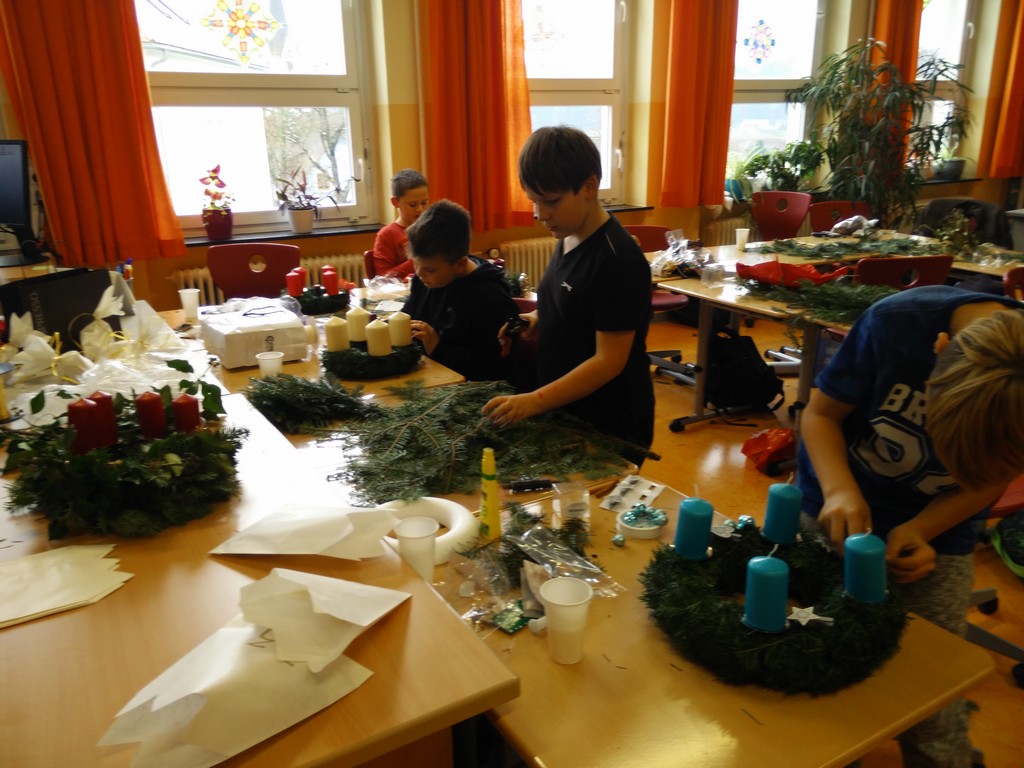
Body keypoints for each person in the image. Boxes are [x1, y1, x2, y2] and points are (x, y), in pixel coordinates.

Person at [797, 284, 1024, 767]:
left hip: (945, 524)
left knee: (931, 689)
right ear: (938, 349)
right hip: (837, 495)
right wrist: (839, 490)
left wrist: (923, 528)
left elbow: (991, 476)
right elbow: (819, 415)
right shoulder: (894, 324)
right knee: (813, 649)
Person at [481, 125, 654, 462]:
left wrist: (533, 401)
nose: (540, 214)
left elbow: (608, 362)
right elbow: (575, 303)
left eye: (551, 201)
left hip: (608, 422)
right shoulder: (569, 235)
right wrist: (536, 317)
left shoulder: (619, 261)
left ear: (589, 186)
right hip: (567, 410)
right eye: (534, 201)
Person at [403, 199, 520, 382]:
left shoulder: (490, 300)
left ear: (460, 264)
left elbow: (493, 369)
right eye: (416, 265)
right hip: (427, 378)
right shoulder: (426, 280)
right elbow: (408, 319)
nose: (419, 274)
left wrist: (437, 347)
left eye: (430, 269)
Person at [373, 169, 429, 280]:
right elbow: (383, 278)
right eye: (413, 205)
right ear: (395, 202)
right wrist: (416, 261)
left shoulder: (432, 229)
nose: (420, 209)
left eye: (424, 203)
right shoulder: (386, 235)